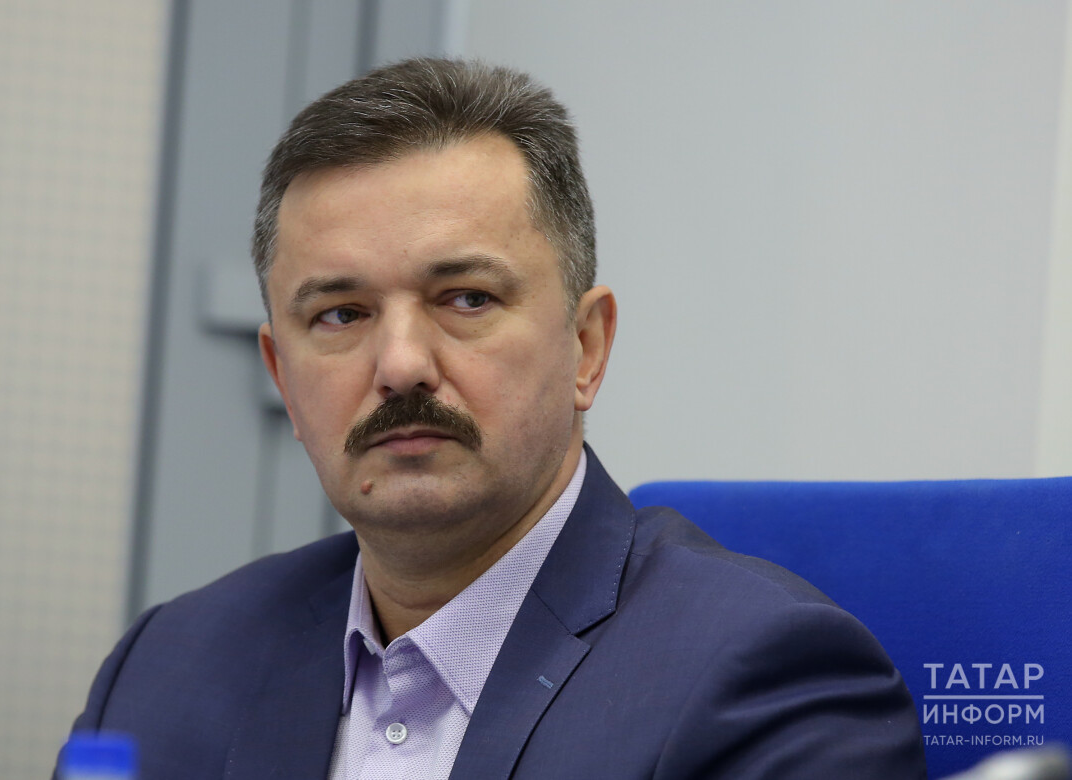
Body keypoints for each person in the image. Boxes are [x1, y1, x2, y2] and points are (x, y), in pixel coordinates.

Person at [58, 57, 927, 779]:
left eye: (466, 298)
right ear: (283, 378)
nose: (400, 365)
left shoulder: (762, 682)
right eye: (341, 314)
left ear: (586, 348)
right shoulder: (166, 667)